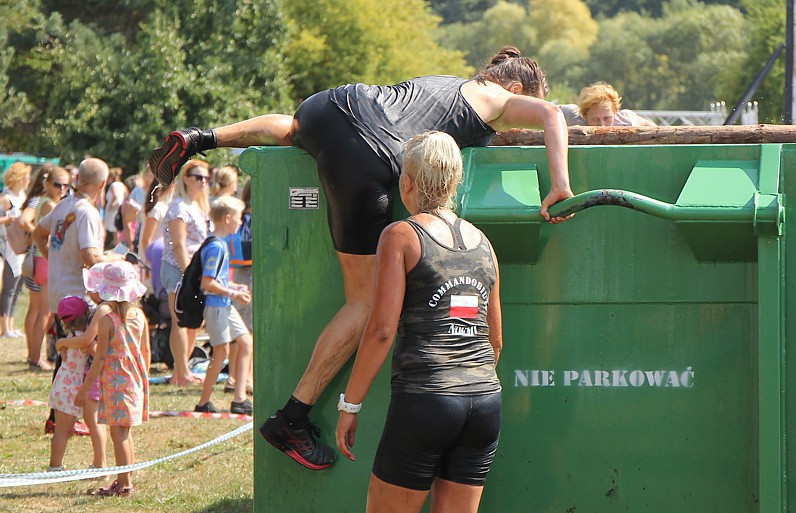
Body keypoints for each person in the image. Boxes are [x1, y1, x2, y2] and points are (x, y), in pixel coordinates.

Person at [151, 46, 573, 469]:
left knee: (293, 130)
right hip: (369, 157)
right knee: (364, 301)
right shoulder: (498, 99)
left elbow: (300, 127)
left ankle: (200, 138)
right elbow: (553, 116)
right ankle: (291, 419)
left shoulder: (449, 85)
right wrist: (560, 185)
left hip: (331, 106)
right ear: (517, 88)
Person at [333, 132, 502, 513]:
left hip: (426, 399)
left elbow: (381, 330)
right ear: (454, 182)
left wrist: (350, 405)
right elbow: (495, 341)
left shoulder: (401, 235)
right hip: (483, 403)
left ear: (407, 181)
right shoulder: (484, 244)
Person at [33, 157, 123, 435]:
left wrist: (53, 258)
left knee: (68, 354)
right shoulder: (86, 211)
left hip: (59, 291)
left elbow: (38, 233)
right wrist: (112, 262)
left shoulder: (64, 205)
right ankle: (67, 416)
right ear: (103, 184)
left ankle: (58, 416)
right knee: (79, 356)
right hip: (76, 295)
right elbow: (88, 254)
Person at [76, 260, 149, 497]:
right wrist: (142, 378)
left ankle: (124, 485)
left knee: (119, 436)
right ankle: (125, 479)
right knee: (125, 434)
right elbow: (146, 352)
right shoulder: (140, 317)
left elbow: (99, 359)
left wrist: (84, 389)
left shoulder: (108, 322)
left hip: (116, 385)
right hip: (135, 382)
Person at [194, 195, 253, 414]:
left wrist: (235, 288)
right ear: (227, 218)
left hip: (224, 303)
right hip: (216, 306)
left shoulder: (220, 244)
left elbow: (217, 279)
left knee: (246, 342)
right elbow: (207, 282)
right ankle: (203, 402)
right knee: (221, 352)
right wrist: (233, 293)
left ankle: (239, 399)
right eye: (238, 218)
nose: (241, 222)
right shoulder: (217, 247)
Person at [160, 159, 210, 385]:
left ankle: (182, 370)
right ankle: (180, 373)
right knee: (180, 320)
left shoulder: (196, 206)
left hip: (192, 270)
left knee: (193, 322)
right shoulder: (178, 206)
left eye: (206, 178)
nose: (203, 182)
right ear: (186, 179)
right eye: (198, 177)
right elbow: (178, 245)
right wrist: (190, 274)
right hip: (177, 268)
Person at [47, 296, 107, 472]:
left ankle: (55, 466)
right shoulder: (84, 341)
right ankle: (55, 467)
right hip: (71, 388)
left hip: (60, 387)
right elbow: (98, 355)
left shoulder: (68, 338)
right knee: (65, 432)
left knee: (61, 432)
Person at [19, 163, 58, 370]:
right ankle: (34, 357)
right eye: (59, 184)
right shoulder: (42, 201)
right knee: (41, 312)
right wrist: (38, 234)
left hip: (34, 259)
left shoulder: (36, 199)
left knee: (34, 310)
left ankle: (32, 354)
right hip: (40, 257)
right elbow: (25, 221)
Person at [224, 179, 254, 396]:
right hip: (249, 273)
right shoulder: (255, 216)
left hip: (236, 271)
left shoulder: (241, 215)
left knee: (240, 329)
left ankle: (233, 377)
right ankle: (244, 378)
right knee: (248, 329)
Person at [0, 161, 32, 337]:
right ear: (18, 178)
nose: (29, 180)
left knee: (18, 288)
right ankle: (5, 328)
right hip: (7, 247)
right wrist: (8, 219)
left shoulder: (23, 198)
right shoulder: (5, 198)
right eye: (26, 177)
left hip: (21, 247)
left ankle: (11, 326)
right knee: (9, 288)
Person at [559, 81, 656, 127]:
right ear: (584, 116)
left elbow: (648, 125)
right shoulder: (572, 116)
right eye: (595, 120)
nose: (602, 126)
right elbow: (548, 110)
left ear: (615, 112)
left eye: (607, 118)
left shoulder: (627, 121)